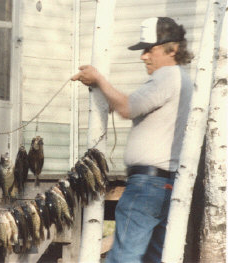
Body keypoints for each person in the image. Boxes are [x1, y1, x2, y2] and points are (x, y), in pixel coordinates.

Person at [72, 17, 194, 263]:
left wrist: (99, 81)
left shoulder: (167, 76)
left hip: (147, 186)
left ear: (173, 48)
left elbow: (128, 107)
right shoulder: (183, 79)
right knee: (153, 258)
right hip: (165, 184)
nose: (143, 56)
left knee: (123, 257)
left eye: (150, 49)